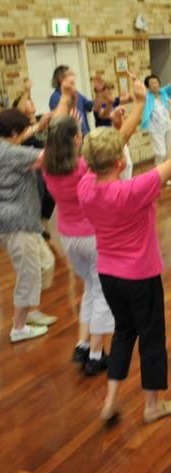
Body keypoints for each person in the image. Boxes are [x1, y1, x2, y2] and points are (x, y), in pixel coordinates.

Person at [77, 76, 171, 424]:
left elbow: (107, 153)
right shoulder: (133, 191)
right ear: (121, 163)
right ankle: (153, 405)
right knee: (152, 336)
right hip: (140, 274)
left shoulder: (85, 185)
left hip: (109, 275)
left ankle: (110, 400)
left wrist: (136, 110)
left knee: (124, 331)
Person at [43, 72, 144, 376]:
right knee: (102, 293)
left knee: (89, 287)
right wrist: (139, 104)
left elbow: (55, 131)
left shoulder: (48, 162)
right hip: (93, 238)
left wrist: (64, 96)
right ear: (77, 138)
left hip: (68, 238)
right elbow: (120, 139)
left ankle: (83, 343)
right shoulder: (83, 166)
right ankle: (98, 354)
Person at [0, 108, 57, 343]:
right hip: (16, 222)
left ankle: (31, 311)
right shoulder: (9, 153)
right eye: (24, 130)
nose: (26, 133)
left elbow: (23, 141)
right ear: (14, 132)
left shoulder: (7, 147)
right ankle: (19, 327)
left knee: (46, 263)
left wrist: (38, 127)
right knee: (28, 274)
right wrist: (62, 131)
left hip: (27, 221)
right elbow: (48, 157)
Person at [14, 79, 55, 239]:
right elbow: (18, 109)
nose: (31, 104)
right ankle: (37, 226)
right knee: (37, 195)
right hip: (30, 167)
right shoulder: (20, 129)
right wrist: (25, 91)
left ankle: (43, 221)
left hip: (46, 165)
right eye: (28, 103)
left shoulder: (40, 120)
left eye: (31, 102)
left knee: (50, 195)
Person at [141, 64, 171, 185]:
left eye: (156, 82)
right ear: (148, 87)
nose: (155, 85)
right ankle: (156, 177)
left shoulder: (163, 93)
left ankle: (164, 177)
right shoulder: (147, 97)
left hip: (167, 126)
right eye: (152, 83)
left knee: (167, 153)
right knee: (160, 153)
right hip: (155, 129)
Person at [49, 65, 97, 136]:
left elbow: (91, 106)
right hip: (70, 137)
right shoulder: (55, 97)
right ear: (61, 78)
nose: (74, 76)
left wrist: (100, 92)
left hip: (84, 135)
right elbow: (58, 122)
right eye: (70, 74)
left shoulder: (76, 93)